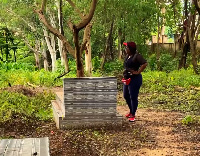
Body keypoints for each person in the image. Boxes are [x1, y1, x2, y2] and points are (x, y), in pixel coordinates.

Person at [122, 41, 147, 122]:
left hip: (135, 79)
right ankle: (131, 110)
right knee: (126, 95)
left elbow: (144, 63)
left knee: (133, 97)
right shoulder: (128, 56)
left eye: (127, 48)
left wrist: (138, 72)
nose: (126, 49)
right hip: (127, 78)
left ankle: (133, 114)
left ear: (131, 49)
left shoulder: (137, 56)